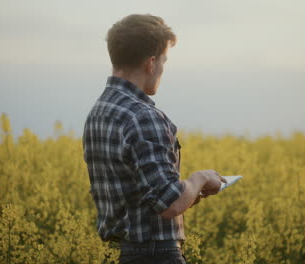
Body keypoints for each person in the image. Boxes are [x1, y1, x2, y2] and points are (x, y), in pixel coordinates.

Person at [82, 14, 226, 264]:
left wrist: (192, 193)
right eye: (164, 60)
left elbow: (140, 197)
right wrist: (199, 178)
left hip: (112, 254)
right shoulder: (142, 116)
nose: (162, 69)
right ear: (150, 63)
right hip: (153, 255)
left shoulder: (98, 113)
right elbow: (169, 204)